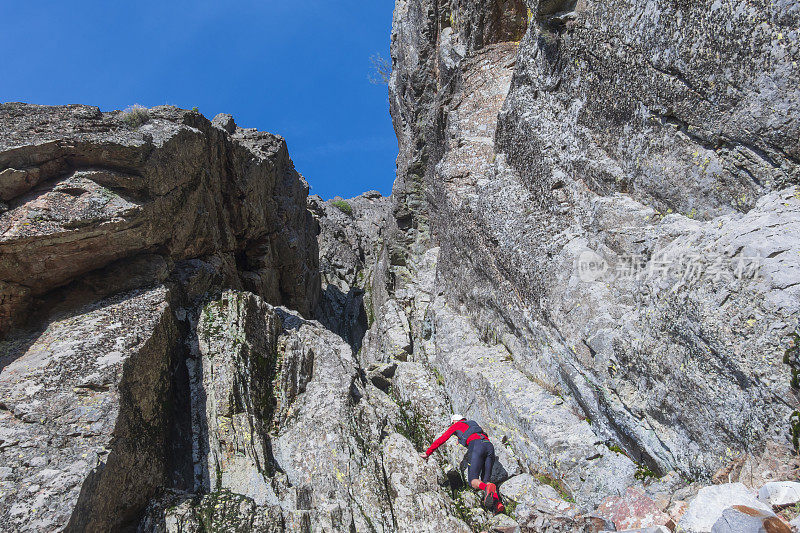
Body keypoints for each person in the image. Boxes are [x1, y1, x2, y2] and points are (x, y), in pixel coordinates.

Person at [420, 414, 505, 513]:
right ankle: (498, 504)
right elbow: (475, 433)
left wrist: (428, 453)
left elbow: (442, 439)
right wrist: (460, 439)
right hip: (489, 446)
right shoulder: (473, 423)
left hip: (477, 445)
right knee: (486, 480)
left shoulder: (456, 425)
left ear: (454, 421)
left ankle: (487, 488)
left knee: (473, 481)